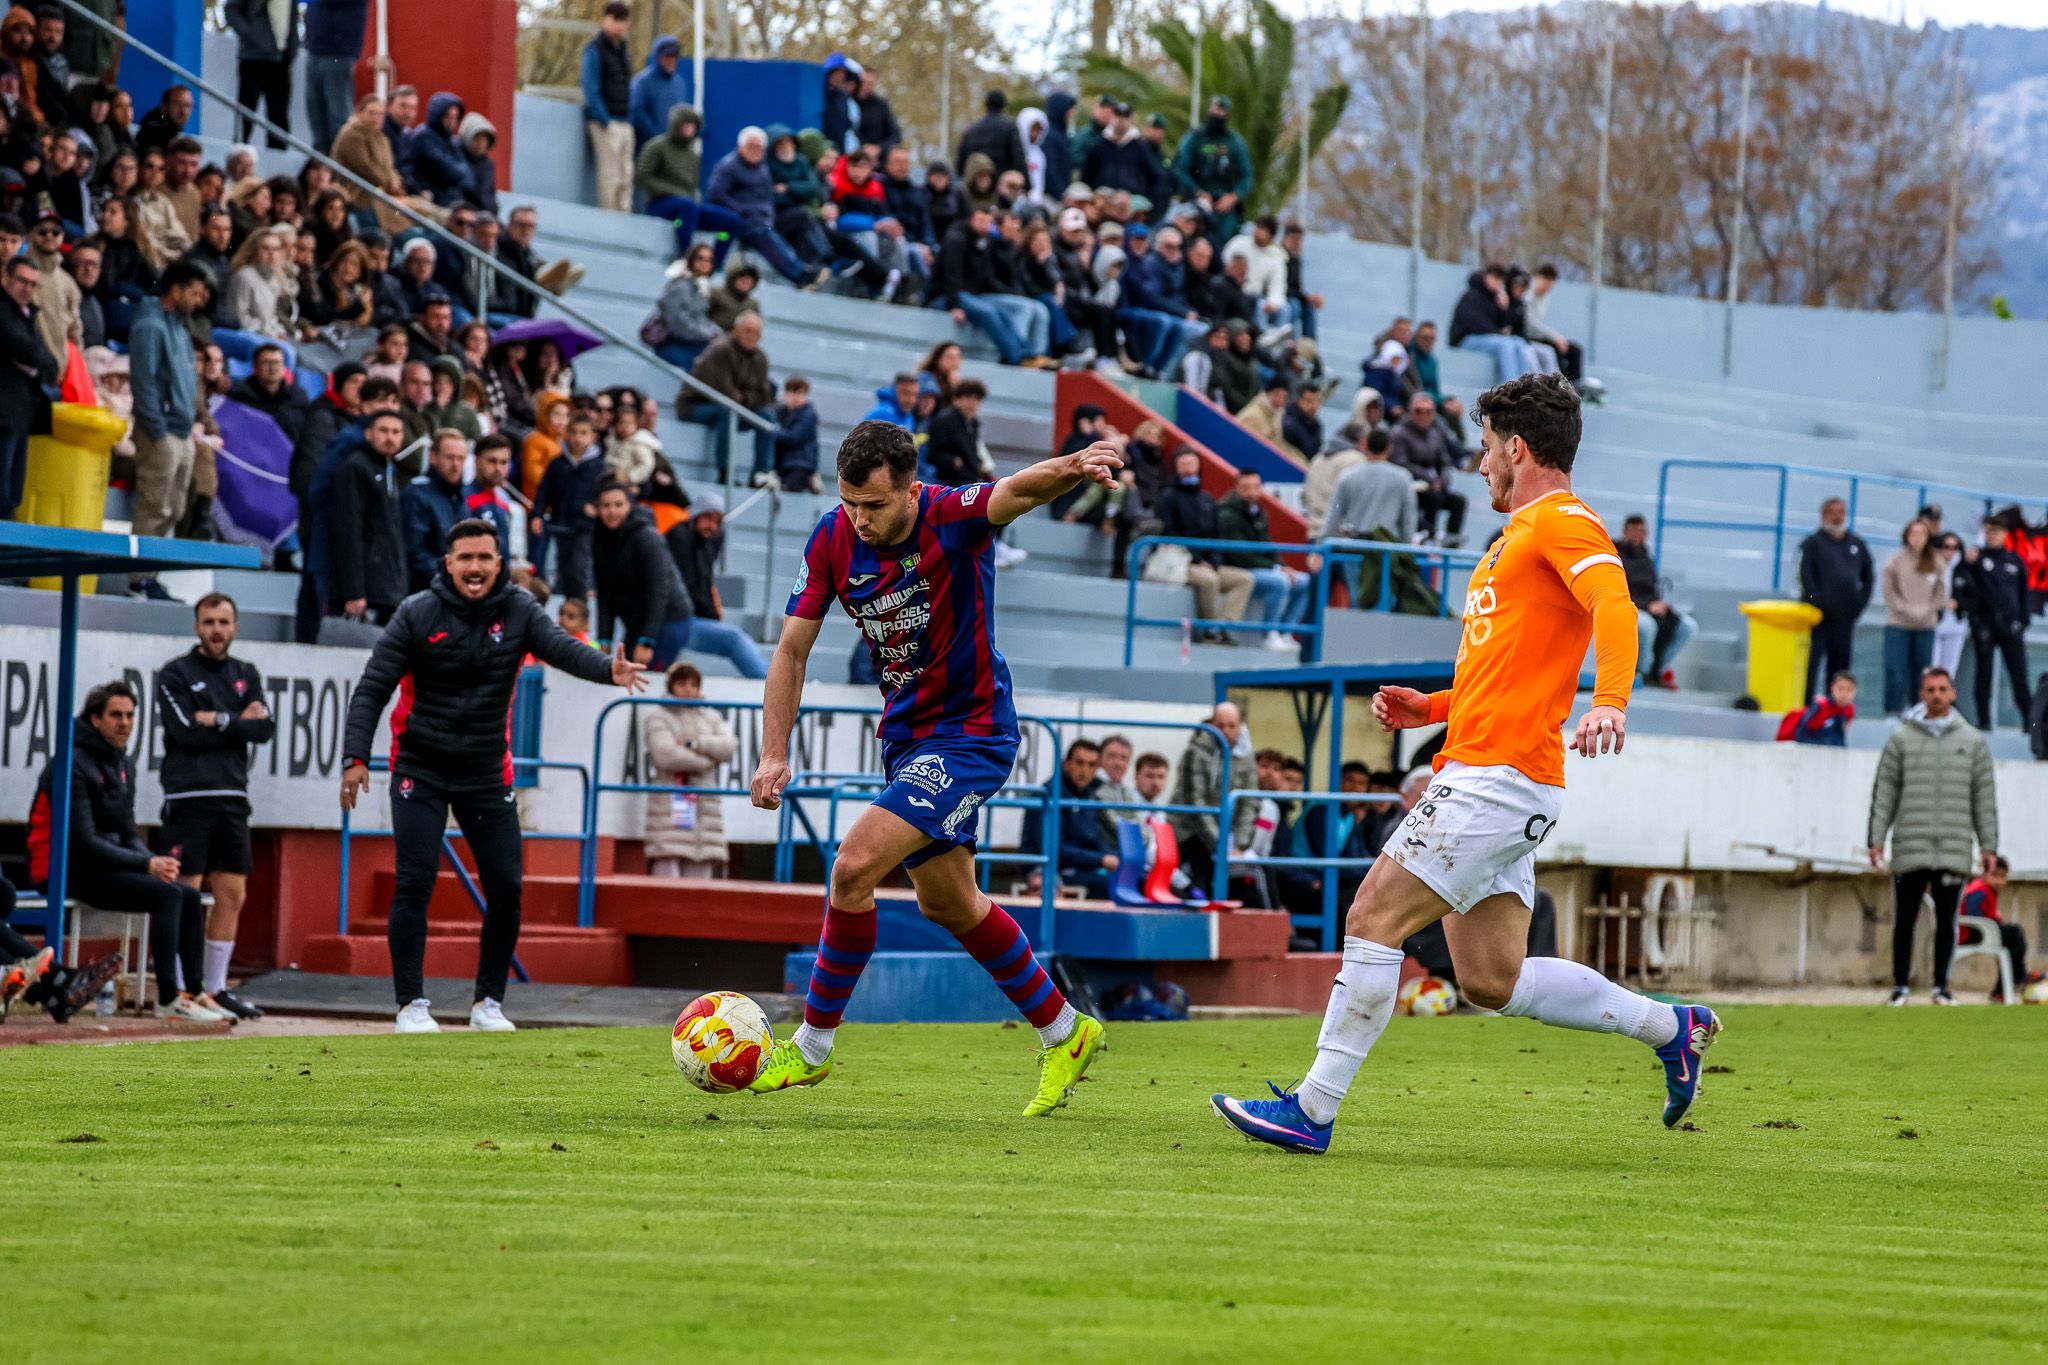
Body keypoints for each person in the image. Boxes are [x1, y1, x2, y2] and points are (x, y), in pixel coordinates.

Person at [1211, 373, 1715, 1156]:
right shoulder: (1515, 538)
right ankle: (1671, 1028)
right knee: (1490, 978)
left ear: (1517, 448)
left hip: (1496, 777)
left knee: (1371, 917)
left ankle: (1312, 1109)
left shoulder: (1564, 521)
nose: (1479, 465)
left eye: (1484, 449)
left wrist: (1610, 701)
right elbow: (1508, 671)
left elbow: (1615, 606)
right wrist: (1432, 707)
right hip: (1495, 771)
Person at [745, 420, 1117, 1109]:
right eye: (850, 502)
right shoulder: (831, 538)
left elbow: (1017, 490)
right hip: (907, 738)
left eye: (874, 505)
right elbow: (791, 650)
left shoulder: (950, 515)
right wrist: (773, 751)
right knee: (947, 900)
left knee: (853, 867)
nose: (860, 519)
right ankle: (1065, 1030)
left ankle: (812, 1047)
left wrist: (1072, 465)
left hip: (971, 732)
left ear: (912, 490)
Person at [342, 520, 645, 1032]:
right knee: (414, 881)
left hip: (486, 770)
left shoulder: (520, 609)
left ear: (499, 563)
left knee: (506, 886)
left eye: (485, 557)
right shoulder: (416, 612)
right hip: (420, 766)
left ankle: (488, 1004)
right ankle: (411, 1005)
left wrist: (606, 670)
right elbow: (372, 688)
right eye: (466, 558)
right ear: (448, 563)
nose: (476, 567)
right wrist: (354, 757)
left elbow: (561, 647)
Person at [27, 682, 225, 1021]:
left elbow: (127, 832)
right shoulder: (71, 763)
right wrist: (145, 864)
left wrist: (154, 862)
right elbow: (83, 841)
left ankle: (196, 991)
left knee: (188, 894)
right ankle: (167, 999)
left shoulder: (122, 764)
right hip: (61, 869)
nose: (125, 723)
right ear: (95, 719)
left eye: (130, 715)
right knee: (167, 896)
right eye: (116, 715)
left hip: (102, 866)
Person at [154, 594, 274, 1021]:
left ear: (235, 627)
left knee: (233, 895)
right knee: (185, 893)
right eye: (209, 622)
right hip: (189, 798)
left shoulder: (246, 673)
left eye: (224, 622)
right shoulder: (175, 673)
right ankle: (182, 991)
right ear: (197, 627)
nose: (217, 630)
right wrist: (239, 721)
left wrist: (218, 719)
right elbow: (185, 732)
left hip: (234, 798)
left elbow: (265, 729)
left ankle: (216, 989)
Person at [1868, 666, 1997, 1008]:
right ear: (1922, 695)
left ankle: (1941, 987)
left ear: (1952, 693)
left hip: (1953, 846)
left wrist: (1988, 846)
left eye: (1943, 689)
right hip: (1910, 845)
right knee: (1904, 920)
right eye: (1931, 690)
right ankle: (1900, 987)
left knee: (1947, 921)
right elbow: (1884, 792)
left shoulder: (1972, 741)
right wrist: (1876, 839)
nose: (1937, 695)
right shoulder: (1901, 739)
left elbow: (1983, 798)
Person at [128, 262, 210, 560]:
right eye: (194, 293)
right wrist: (157, 430)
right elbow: (144, 381)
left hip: (182, 431)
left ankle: (150, 573)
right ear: (175, 290)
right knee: (155, 508)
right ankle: (138, 577)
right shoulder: (151, 325)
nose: (199, 300)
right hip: (161, 433)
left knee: (174, 509)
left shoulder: (179, 327)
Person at [643, 662, 739, 879]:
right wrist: (709, 761)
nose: (688, 689)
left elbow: (729, 746)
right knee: (667, 864)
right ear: (671, 686)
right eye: (682, 684)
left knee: (702, 865)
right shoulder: (658, 717)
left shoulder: (710, 716)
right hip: (669, 799)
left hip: (706, 801)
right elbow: (666, 755)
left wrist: (694, 744)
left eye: (694, 684)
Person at [661, 490, 771, 678]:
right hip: (675, 621)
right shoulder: (680, 536)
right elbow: (686, 588)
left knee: (735, 638)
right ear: (696, 515)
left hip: (684, 619)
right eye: (708, 518)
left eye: (717, 521)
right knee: (735, 639)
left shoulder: (703, 542)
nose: (712, 526)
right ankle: (773, 686)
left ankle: (772, 683)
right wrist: (710, 613)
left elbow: (702, 583)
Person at [1153, 448, 1253, 643]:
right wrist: (1198, 560)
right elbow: (1169, 533)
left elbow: (1216, 536)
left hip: (1207, 563)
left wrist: (1213, 562)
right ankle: (1209, 632)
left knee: (1244, 579)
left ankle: (1223, 626)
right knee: (1209, 580)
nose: (1187, 469)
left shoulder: (1207, 499)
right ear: (1176, 468)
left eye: (1191, 464)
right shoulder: (1168, 497)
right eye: (1183, 465)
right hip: (1181, 562)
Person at [591, 479, 693, 667]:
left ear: (630, 505)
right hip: (636, 624)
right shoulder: (600, 538)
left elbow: (659, 591)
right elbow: (605, 593)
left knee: (647, 676)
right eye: (606, 505)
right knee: (624, 673)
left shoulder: (647, 537)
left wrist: (647, 641)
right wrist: (604, 639)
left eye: (618, 505)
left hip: (668, 620)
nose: (612, 511)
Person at [325, 407, 409, 623]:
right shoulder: (355, 468)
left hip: (386, 586)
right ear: (368, 433)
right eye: (383, 430)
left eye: (396, 432)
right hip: (366, 590)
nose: (390, 437)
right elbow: (348, 531)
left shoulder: (390, 470)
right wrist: (353, 591)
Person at [1167, 703, 1258, 895]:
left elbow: (1249, 803)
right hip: (1187, 830)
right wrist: (1220, 845)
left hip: (1224, 836)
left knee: (1250, 877)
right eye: (1220, 725)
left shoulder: (1247, 756)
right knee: (1201, 878)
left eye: (1231, 726)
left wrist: (1240, 846)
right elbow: (1195, 803)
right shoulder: (1195, 752)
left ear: (1240, 727)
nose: (1226, 731)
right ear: (1212, 725)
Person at [1217, 468, 1310, 652]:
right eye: (1246, 488)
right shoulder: (1227, 515)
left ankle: (1285, 632)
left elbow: (1267, 545)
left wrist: (1283, 566)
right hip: (1238, 569)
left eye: (1256, 487)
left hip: (1261, 567)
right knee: (1279, 582)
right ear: (1237, 488)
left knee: (1305, 582)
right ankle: (1268, 634)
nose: (1252, 492)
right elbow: (1240, 555)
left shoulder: (1259, 512)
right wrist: (1275, 568)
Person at [1959, 515, 2032, 731]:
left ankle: (2030, 722)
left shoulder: (2014, 560)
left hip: (2011, 626)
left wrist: (2023, 621)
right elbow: (1965, 587)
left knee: (2019, 675)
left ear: (2005, 534)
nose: (1992, 535)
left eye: (1996, 531)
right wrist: (1975, 621)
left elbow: (2023, 594)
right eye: (1989, 531)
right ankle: (1984, 721)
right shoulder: (1976, 559)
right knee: (1984, 675)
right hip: (1986, 625)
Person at [683, 313, 776, 482]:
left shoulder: (761, 358)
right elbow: (722, 392)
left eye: (756, 332)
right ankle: (725, 473)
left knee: (767, 417)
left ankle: (760, 474)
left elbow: (764, 396)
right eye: (748, 330)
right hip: (697, 405)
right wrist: (746, 398)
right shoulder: (720, 349)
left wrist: (744, 398)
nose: (751, 336)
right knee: (727, 412)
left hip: (738, 408)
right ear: (736, 330)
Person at [1020, 740, 1119, 899]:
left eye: (1091, 765)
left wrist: (1116, 857)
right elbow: (1052, 848)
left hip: (1081, 867)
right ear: (1066, 764)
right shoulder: (1048, 795)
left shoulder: (1091, 795)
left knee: (1137, 880)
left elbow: (1096, 840)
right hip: (1050, 869)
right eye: (1080, 763)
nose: (1085, 770)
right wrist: (1101, 859)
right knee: (1110, 885)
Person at [1797, 497, 1873, 699]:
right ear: (1823, 516)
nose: (1837, 517)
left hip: (1845, 617)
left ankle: (1835, 707)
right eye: (1832, 512)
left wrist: (1860, 603)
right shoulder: (1812, 543)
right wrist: (1815, 600)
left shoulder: (1857, 544)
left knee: (1840, 667)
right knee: (1810, 664)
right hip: (1817, 618)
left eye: (1841, 512)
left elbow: (1868, 576)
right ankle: (1806, 705)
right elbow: (1804, 577)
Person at [0, 253, 55, 520]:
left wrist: (35, 364)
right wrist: (37, 360)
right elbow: (22, 347)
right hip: (3, 413)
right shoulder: (3, 309)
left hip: (21, 412)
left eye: (33, 284)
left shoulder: (28, 314)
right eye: (22, 281)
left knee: (12, 492)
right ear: (5, 278)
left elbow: (48, 360)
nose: (27, 288)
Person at [534, 411, 607, 600]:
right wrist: (537, 514)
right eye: (574, 432)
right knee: (563, 566)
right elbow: (544, 490)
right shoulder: (557, 463)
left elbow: (606, 491)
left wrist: (597, 507)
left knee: (578, 567)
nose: (578, 438)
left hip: (584, 526)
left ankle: (579, 605)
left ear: (593, 436)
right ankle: (568, 606)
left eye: (583, 433)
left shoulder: (598, 466)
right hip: (561, 522)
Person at [1617, 514, 1695, 689]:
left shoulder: (1646, 557)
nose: (1638, 534)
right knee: (1647, 626)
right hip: (1627, 604)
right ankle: (1642, 674)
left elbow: (1650, 588)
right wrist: (1647, 606)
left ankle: (1657, 669)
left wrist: (1658, 604)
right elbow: (1620, 588)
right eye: (1634, 530)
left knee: (1687, 626)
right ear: (1625, 531)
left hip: (1649, 604)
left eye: (1642, 531)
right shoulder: (1615, 554)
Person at [1881, 519, 1942, 715]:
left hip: (1925, 626)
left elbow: (1941, 593)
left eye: (1921, 534)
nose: (1917, 538)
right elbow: (1889, 591)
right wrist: (1905, 609)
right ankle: (1892, 711)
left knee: (1922, 674)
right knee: (1896, 671)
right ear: (1906, 536)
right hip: (1899, 624)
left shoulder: (1936, 561)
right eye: (1913, 533)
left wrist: (1926, 610)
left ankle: (1919, 711)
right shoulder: (1895, 561)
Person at [400, 428, 472, 593]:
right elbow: (414, 553)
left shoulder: (460, 497)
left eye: (461, 458)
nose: (455, 465)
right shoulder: (417, 495)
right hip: (425, 590)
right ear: (433, 457)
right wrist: (452, 580)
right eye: (449, 457)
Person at [580, 1, 635, 213]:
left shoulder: (623, 51)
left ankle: (624, 219)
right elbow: (590, 86)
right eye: (615, 19)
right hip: (605, 122)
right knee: (610, 176)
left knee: (625, 177)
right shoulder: (595, 49)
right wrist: (603, 119)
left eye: (623, 20)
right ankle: (610, 218)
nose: (619, 25)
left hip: (624, 120)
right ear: (605, 20)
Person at [1389, 393, 1465, 546]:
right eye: (1419, 411)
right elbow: (1400, 463)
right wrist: (1429, 479)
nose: (1423, 415)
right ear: (1410, 411)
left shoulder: (1434, 433)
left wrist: (1442, 480)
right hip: (1409, 486)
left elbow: (1444, 461)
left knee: (1459, 502)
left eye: (1428, 411)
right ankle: (1429, 538)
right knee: (1434, 497)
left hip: (1431, 485)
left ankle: (1451, 542)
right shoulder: (1399, 432)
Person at [1174, 96, 1253, 243]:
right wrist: (1198, 193)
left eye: (1222, 111)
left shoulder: (1235, 142)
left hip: (1225, 207)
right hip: (1197, 203)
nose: (1218, 114)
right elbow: (1181, 170)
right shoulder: (1194, 138)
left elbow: (1247, 176)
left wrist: (1233, 197)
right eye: (1216, 110)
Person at [1958, 856, 2032, 1003]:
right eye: (1995, 876)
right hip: (1970, 934)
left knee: (2011, 942)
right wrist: (1994, 925)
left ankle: (2002, 990)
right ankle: (2019, 976)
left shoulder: (1989, 891)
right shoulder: (1979, 889)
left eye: (2003, 877)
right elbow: (1972, 916)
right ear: (1985, 873)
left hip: (1982, 932)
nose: (1999, 881)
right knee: (2015, 932)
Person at [225, 0, 297, 148]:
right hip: (253, 59)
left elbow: (291, 18)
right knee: (246, 114)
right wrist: (251, 35)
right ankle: (239, 153)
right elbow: (231, 11)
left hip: (282, 60)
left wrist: (292, 48)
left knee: (279, 117)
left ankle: (278, 157)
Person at [303, 0, 370, 156]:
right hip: (315, 48)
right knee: (315, 112)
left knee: (338, 115)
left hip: (338, 51)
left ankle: (341, 161)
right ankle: (321, 161)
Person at [1448, 265, 1534, 383]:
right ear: (1486, 276)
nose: (1497, 283)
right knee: (1506, 344)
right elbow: (1473, 323)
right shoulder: (1471, 295)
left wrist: (1504, 309)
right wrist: (1497, 332)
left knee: (1519, 343)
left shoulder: (1496, 298)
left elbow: (1504, 326)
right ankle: (1512, 385)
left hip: (1487, 337)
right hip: (1465, 338)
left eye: (1500, 280)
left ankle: (1525, 384)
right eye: (1495, 278)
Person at [629, 34, 689, 150]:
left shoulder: (679, 83)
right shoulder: (642, 82)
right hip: (646, 148)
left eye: (675, 56)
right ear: (658, 57)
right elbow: (637, 112)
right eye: (667, 56)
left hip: (672, 148)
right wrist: (657, 137)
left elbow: (682, 114)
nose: (671, 60)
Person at [954, 88, 1027, 181]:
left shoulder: (971, 130)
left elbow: (960, 166)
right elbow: (1019, 160)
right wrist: (1027, 183)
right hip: (1001, 184)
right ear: (1004, 105)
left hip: (975, 184)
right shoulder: (1010, 128)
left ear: (986, 104)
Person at [772, 374, 818, 492]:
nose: (796, 397)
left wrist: (774, 431)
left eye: (801, 393)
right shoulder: (780, 411)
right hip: (782, 465)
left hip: (800, 465)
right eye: (793, 392)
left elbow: (794, 437)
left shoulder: (808, 414)